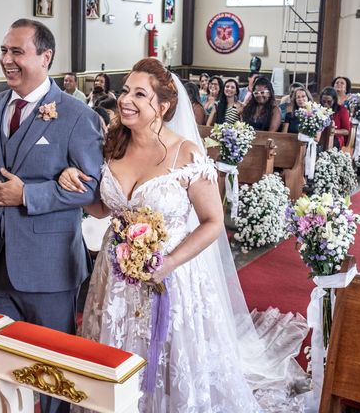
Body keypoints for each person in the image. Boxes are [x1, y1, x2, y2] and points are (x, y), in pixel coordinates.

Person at [58, 58, 308, 412]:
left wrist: (169, 262)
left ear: (163, 106)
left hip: (171, 279)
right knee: (116, 350)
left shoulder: (186, 153)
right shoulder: (111, 145)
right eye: (126, 90)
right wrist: (73, 182)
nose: (126, 99)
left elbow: (212, 222)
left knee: (170, 361)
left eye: (139, 94)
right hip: (115, 278)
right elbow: (103, 208)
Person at [0, 18, 103, 413]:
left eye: (17, 52)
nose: (6, 60)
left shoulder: (74, 115)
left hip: (48, 265)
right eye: (4, 50)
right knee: (0, 361)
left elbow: (90, 189)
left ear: (45, 57)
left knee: (52, 368)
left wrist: (28, 195)